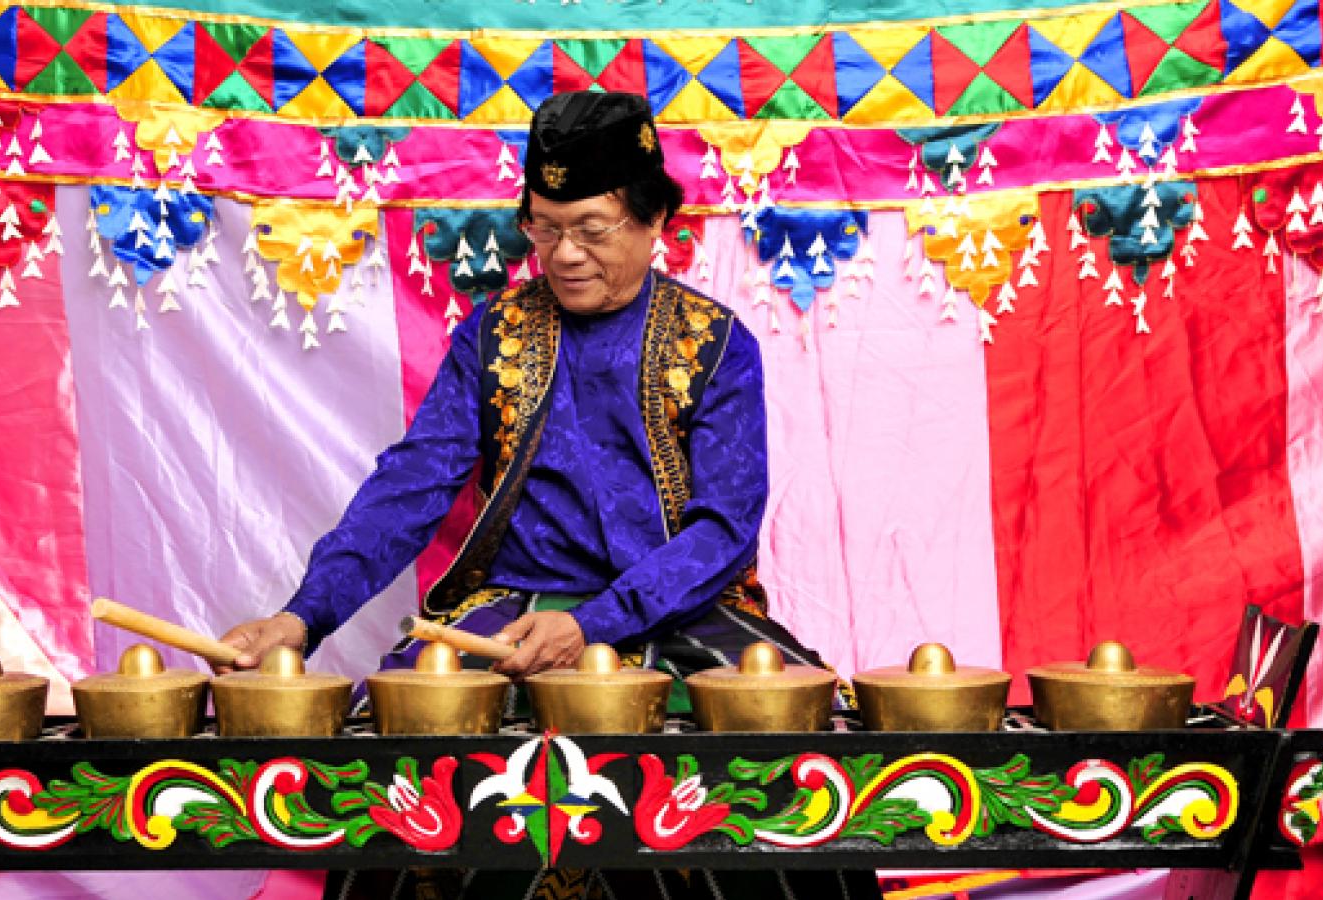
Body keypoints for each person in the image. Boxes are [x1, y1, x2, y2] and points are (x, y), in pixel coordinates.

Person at [220, 90, 880, 900]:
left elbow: (722, 533)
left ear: (654, 223)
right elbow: (410, 485)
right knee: (405, 772)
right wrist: (302, 616)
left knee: (784, 764)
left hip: (681, 611)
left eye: (592, 229)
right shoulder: (493, 335)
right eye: (544, 227)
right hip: (514, 610)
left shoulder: (716, 343)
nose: (564, 254)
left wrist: (595, 623)